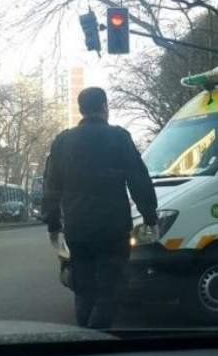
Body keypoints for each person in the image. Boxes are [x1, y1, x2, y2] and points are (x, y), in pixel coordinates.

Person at [42, 87, 158, 328]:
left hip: (78, 229)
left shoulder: (63, 141)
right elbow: (139, 179)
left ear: (81, 109)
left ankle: (83, 335)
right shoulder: (119, 138)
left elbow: (51, 186)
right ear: (105, 107)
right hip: (112, 229)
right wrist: (150, 216)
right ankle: (95, 337)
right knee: (110, 291)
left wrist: (53, 224)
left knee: (83, 290)